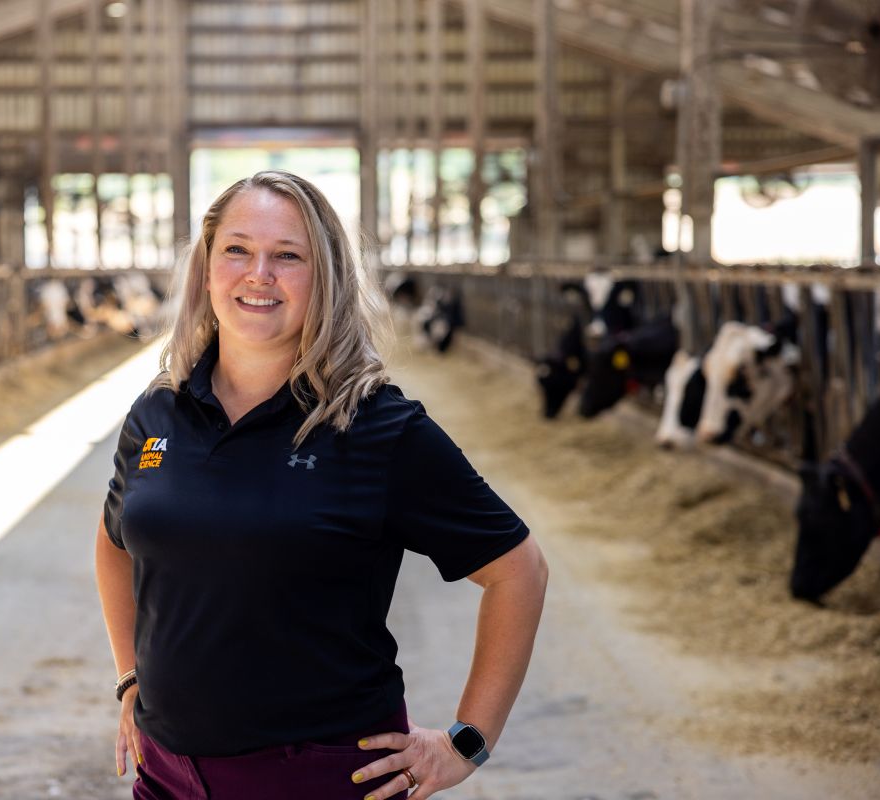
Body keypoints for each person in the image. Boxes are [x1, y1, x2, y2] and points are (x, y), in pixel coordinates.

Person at [95, 170, 548, 800]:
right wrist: (130, 678)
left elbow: (518, 571)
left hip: (320, 775)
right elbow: (116, 539)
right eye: (237, 249)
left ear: (326, 276)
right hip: (168, 777)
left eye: (288, 256)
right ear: (206, 268)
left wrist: (466, 741)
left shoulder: (376, 426)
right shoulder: (157, 412)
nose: (259, 274)